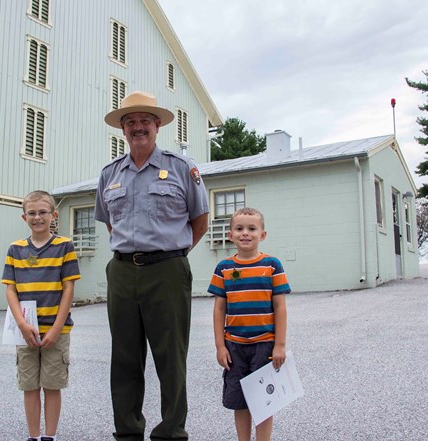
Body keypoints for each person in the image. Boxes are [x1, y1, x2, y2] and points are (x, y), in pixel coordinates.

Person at [94, 91, 209, 440]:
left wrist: (168, 256)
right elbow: (111, 224)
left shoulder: (181, 168)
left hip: (167, 271)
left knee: (170, 357)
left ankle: (171, 432)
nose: (138, 127)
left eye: (145, 121)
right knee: (125, 358)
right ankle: (127, 432)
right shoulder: (109, 174)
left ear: (157, 125)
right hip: (122, 271)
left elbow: (199, 221)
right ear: (123, 129)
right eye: (130, 122)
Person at [1, 190, 81, 441]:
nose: (38, 217)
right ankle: (33, 436)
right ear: (24, 217)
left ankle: (50, 436)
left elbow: (68, 288)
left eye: (43, 212)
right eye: (32, 213)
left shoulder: (64, 246)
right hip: (26, 331)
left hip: (56, 330)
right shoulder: (15, 249)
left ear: (53, 215)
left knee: (52, 385)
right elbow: (10, 289)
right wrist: (22, 324)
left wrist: (57, 328)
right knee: (29, 385)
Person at [208, 208, 291, 441]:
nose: (246, 233)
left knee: (264, 401)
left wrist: (280, 345)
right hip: (234, 347)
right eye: (239, 228)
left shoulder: (272, 265)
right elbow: (219, 309)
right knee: (240, 402)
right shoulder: (223, 269)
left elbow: (280, 308)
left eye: (252, 229)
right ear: (230, 235)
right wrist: (220, 346)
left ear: (262, 234)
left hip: (265, 346)